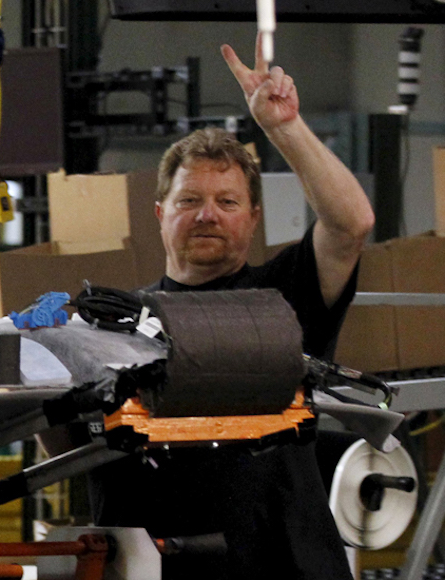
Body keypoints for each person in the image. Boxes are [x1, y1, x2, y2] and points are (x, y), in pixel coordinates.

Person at [88, 35, 375, 579]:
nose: (207, 216)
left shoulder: (284, 298)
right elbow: (67, 438)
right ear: (160, 213)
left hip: (283, 565)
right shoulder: (116, 326)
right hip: (161, 567)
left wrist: (283, 128)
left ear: (253, 217)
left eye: (227, 202)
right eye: (189, 201)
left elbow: (350, 223)